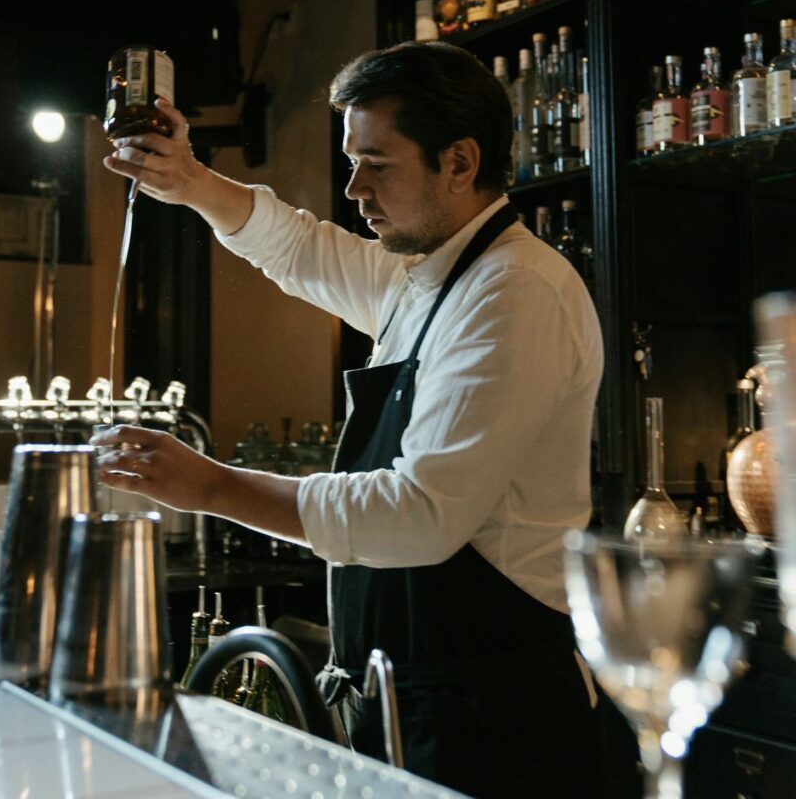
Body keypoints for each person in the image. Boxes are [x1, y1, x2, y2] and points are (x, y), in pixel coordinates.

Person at [92, 40, 638, 798]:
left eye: (377, 164)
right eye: (353, 161)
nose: (353, 187)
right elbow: (298, 249)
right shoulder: (431, 280)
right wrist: (187, 180)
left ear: (459, 162)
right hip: (415, 700)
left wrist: (214, 487)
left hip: (495, 719)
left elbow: (421, 516)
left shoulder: (515, 291)